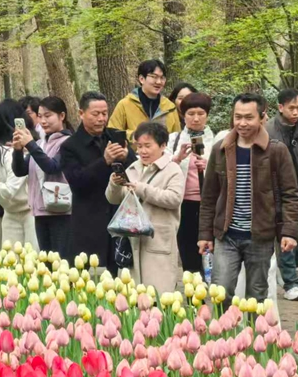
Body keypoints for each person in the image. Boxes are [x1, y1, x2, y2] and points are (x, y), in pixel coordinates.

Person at [199, 93, 298, 305]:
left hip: (260, 236)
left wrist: (289, 232)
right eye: (238, 117)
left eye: (248, 117)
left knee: (256, 296)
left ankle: (254, 337)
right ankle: (222, 336)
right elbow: (209, 196)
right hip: (226, 235)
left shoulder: (276, 151)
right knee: (221, 292)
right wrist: (205, 234)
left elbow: (291, 195)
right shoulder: (221, 150)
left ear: (262, 116)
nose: (242, 123)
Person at [60, 91, 137, 268]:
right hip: (89, 219)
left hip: (120, 215)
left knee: (121, 273)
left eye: (104, 113)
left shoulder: (114, 136)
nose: (101, 119)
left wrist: (127, 157)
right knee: (90, 274)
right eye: (95, 114)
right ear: (81, 113)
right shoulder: (70, 146)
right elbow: (77, 183)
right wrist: (104, 161)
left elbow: (136, 170)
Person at [106, 122, 184, 293]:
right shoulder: (133, 168)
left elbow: (174, 199)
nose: (142, 151)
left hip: (158, 242)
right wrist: (115, 184)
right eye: (139, 146)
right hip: (132, 242)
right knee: (131, 301)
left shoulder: (172, 170)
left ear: (163, 145)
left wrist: (142, 189)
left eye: (148, 146)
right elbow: (113, 199)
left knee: (158, 298)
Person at [11, 95, 73, 257]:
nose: (43, 121)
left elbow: (52, 166)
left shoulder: (68, 143)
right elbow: (20, 171)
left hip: (61, 211)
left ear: (62, 116)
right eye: (40, 116)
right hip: (40, 210)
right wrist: (18, 150)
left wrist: (30, 144)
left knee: (61, 262)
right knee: (46, 262)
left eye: (48, 115)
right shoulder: (40, 144)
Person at [266, 88, 298, 300]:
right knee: (287, 236)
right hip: (277, 193)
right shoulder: (268, 131)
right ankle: (291, 283)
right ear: (280, 107)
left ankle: (287, 275)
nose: (296, 112)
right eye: (291, 108)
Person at [168, 92, 214, 275]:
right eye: (190, 113)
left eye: (201, 114)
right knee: (188, 252)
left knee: (210, 253)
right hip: (183, 204)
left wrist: (209, 165)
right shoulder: (173, 140)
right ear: (183, 115)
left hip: (209, 205)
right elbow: (160, 169)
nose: (196, 118)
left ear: (207, 115)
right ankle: (194, 297)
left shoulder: (219, 140)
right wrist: (177, 159)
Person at [109, 59, 181, 145]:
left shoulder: (170, 107)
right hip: (133, 156)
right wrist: (134, 136)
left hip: (163, 156)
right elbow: (112, 132)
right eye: (154, 77)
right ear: (141, 79)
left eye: (162, 78)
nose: (158, 82)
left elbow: (177, 137)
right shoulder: (125, 104)